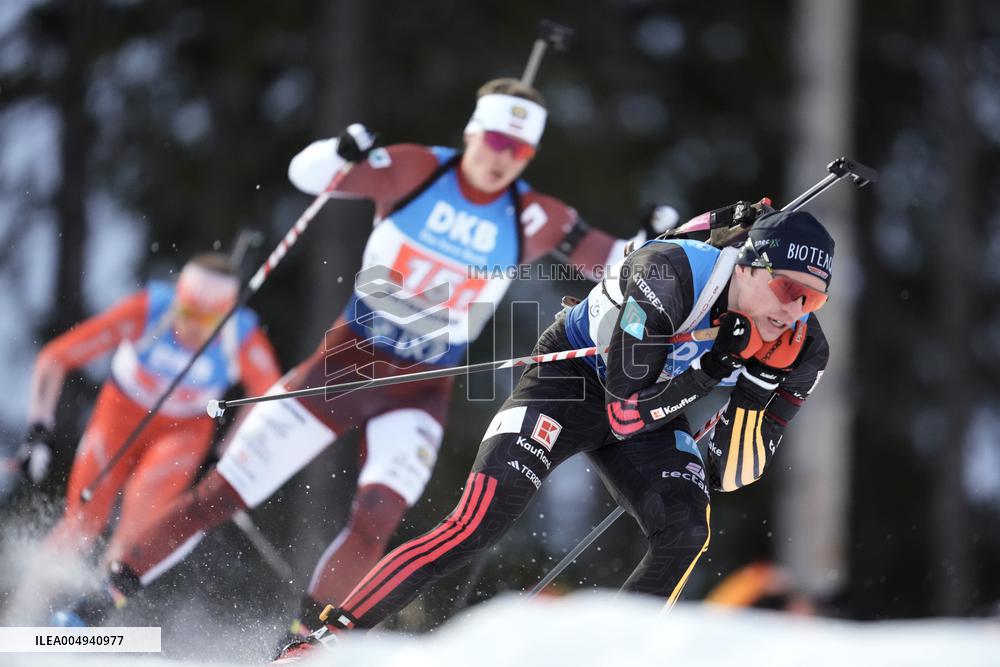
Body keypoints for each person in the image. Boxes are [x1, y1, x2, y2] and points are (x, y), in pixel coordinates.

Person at [57, 78, 667, 633]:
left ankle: (304, 642)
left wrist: (650, 241)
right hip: (347, 363)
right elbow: (309, 176)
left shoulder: (533, 215)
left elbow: (611, 262)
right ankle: (89, 611)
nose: (502, 156)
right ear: (473, 132)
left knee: (376, 515)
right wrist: (339, 150)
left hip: (426, 383)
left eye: (519, 148)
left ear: (529, 156)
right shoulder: (414, 169)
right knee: (221, 495)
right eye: (496, 139)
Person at [276, 208, 834, 660]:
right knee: (479, 521)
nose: (797, 312)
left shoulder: (804, 347)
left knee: (689, 529)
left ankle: (619, 656)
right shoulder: (671, 272)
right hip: (574, 383)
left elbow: (735, 472)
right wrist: (712, 371)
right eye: (790, 291)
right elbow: (624, 411)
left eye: (815, 300)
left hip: (658, 407)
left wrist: (758, 388)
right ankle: (329, 637)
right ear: (750, 267)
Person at [14, 253, 281, 619]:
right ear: (179, 299)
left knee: (134, 536)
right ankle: (20, 618)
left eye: (209, 319)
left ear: (226, 314)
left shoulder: (241, 335)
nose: (193, 327)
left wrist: (224, 452)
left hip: (183, 432)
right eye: (187, 313)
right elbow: (55, 358)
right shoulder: (149, 311)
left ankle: (84, 625)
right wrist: (38, 429)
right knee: (81, 523)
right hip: (119, 415)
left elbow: (268, 396)